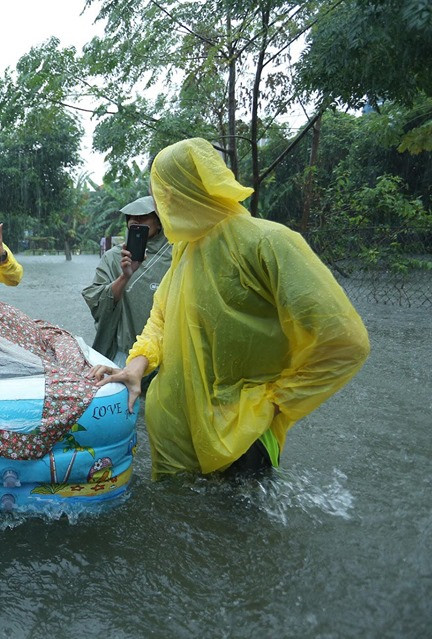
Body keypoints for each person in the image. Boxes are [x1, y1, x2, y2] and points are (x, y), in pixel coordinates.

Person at [90, 138, 370, 479]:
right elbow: (160, 319)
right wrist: (135, 367)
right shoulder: (186, 250)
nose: (161, 206)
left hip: (243, 436)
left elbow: (344, 341)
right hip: (176, 436)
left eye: (162, 194)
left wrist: (275, 402)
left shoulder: (268, 243)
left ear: (182, 193)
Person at [82, 196, 172, 367]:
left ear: (159, 222)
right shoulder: (114, 257)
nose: (135, 221)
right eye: (131, 217)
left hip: (165, 353)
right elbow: (96, 300)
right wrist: (125, 277)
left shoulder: (176, 255)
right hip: (124, 353)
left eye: (143, 216)